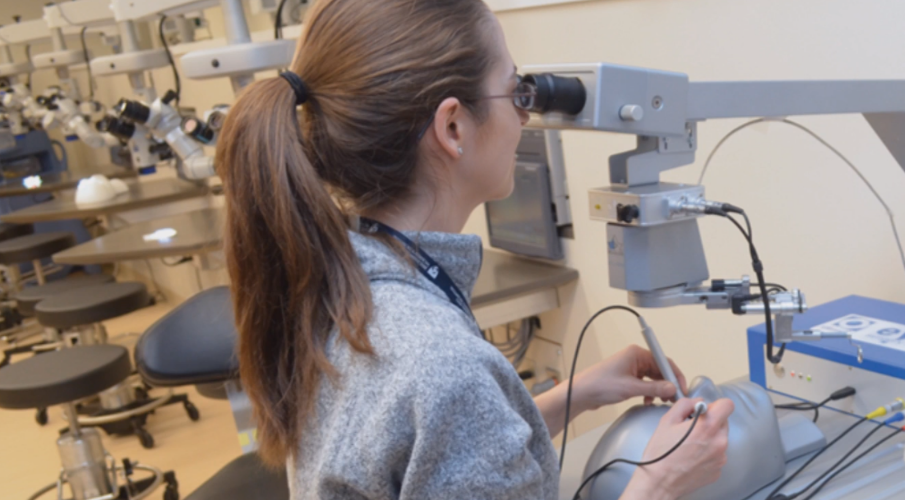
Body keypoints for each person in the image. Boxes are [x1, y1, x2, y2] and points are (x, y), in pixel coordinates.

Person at [215, 0, 734, 498]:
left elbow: (426, 453)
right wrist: (661, 484)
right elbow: (446, 400)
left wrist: (575, 393)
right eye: (514, 93)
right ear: (453, 126)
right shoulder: (441, 362)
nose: (525, 117)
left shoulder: (335, 278)